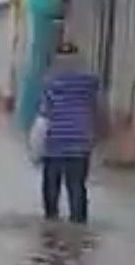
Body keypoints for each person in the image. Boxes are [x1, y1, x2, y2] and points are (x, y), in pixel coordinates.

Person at [36, 43, 100, 224]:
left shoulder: (50, 81)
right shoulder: (90, 82)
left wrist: (35, 144)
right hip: (81, 141)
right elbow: (97, 109)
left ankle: (51, 224)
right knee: (77, 187)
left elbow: (44, 112)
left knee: (51, 187)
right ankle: (79, 225)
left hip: (55, 141)